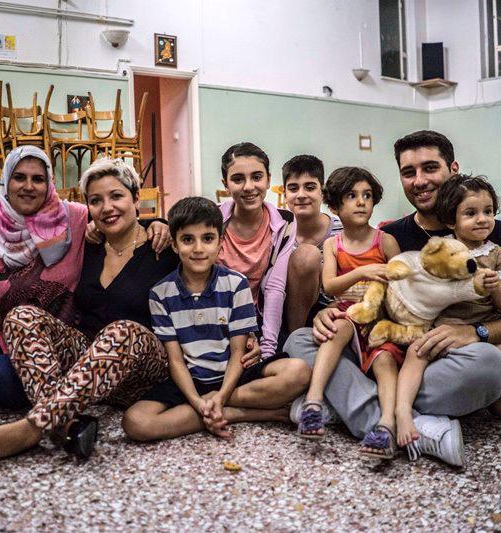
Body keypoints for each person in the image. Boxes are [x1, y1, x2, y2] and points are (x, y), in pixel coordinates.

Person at [285, 130, 501, 467]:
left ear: (453, 168)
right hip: (389, 345)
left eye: (430, 168)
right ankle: (413, 424)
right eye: (409, 173)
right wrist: (325, 314)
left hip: (443, 354)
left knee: (492, 366)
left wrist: (474, 333)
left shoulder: (492, 234)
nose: (419, 181)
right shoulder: (392, 235)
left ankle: (355, 407)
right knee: (300, 340)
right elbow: (365, 294)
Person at [0, 158, 179, 463]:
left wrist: (159, 222)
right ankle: (62, 423)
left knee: (123, 330)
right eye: (96, 200)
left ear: (137, 198)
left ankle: (30, 429)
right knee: (20, 315)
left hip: (144, 366)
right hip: (88, 365)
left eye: (117, 196)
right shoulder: (89, 243)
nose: (107, 207)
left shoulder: (164, 247)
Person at [0, 148, 169, 411]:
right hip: (14, 331)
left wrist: (160, 224)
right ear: (6, 182)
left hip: (66, 338)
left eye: (38, 179)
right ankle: (53, 404)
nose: (28, 186)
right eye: (19, 177)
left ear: (49, 184)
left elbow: (119, 218)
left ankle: (42, 408)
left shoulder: (73, 219)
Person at [121, 197, 309, 441]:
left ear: (221, 244)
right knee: (135, 422)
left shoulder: (236, 284)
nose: (198, 248)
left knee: (299, 372)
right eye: (188, 239)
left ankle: (218, 405)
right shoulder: (160, 293)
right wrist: (196, 400)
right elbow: (176, 361)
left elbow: (237, 353)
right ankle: (240, 413)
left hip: (234, 375)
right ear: (175, 245)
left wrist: (218, 397)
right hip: (190, 380)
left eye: (207, 239)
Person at [295, 167, 401, 461]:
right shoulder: (333, 244)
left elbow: (405, 281)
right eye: (352, 196)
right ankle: (313, 404)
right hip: (348, 314)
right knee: (337, 327)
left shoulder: (385, 241)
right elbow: (329, 285)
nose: (361, 202)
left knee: (386, 360)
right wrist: (363, 272)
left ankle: (387, 426)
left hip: (381, 318)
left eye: (367, 196)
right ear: (335, 206)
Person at [429, 173, 501, 428]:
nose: (482, 219)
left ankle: (497, 402)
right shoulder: (440, 249)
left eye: (488, 211)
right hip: (446, 324)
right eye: (470, 213)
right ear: (451, 221)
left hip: (487, 328)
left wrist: (494, 288)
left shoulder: (498, 254)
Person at [217, 142, 297, 361]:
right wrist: (158, 223)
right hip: (218, 320)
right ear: (226, 184)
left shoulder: (285, 224)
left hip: (260, 321)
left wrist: (268, 350)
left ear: (269, 180)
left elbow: (275, 287)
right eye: (238, 179)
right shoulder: (212, 221)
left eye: (256, 177)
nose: (249, 186)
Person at [281, 155, 343, 330]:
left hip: (333, 315)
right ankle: (294, 337)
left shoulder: (343, 230)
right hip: (290, 316)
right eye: (293, 188)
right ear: (285, 194)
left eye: (310, 187)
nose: (301, 195)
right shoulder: (277, 233)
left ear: (321, 193)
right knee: (306, 255)